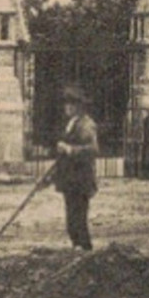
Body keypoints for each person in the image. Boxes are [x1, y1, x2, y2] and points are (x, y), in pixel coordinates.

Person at [53, 84, 98, 252]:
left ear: (79, 107)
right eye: (66, 104)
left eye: (71, 104)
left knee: (79, 218)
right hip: (70, 179)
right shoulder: (71, 123)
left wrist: (70, 150)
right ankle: (77, 247)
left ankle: (85, 250)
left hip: (81, 179)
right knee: (71, 219)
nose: (67, 107)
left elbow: (93, 149)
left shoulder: (86, 124)